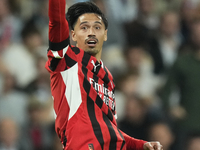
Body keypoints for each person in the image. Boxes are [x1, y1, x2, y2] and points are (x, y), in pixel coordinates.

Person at [45, 0, 163, 149]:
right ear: (73, 35)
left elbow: (111, 132)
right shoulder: (66, 60)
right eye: (84, 28)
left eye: (97, 27)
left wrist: (140, 144)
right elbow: (57, 21)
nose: (91, 32)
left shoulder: (108, 77)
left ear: (105, 35)